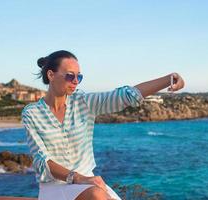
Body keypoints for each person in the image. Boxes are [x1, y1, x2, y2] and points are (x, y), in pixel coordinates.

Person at [21, 50, 185, 200]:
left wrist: (170, 78)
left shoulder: (83, 102)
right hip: (55, 187)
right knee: (97, 195)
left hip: (88, 183)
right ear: (51, 75)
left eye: (79, 77)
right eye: (70, 76)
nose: (76, 81)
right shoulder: (32, 114)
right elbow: (43, 161)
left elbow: (126, 96)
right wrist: (79, 178)